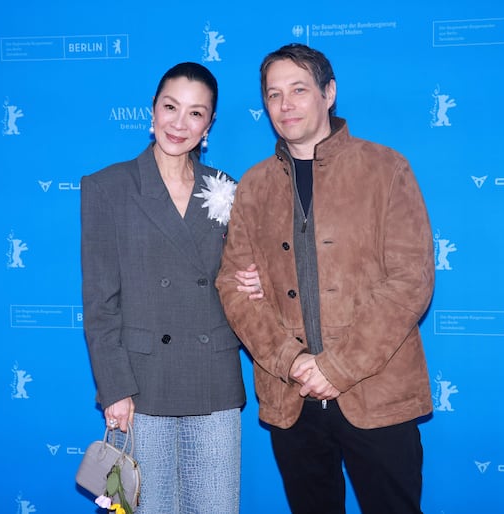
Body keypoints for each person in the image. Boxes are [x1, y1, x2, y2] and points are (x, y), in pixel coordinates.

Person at [216, 44, 435, 514]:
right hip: (291, 398)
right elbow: (234, 286)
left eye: (298, 89)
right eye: (274, 94)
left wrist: (336, 369)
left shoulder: (385, 169)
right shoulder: (253, 186)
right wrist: (292, 362)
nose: (285, 104)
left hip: (376, 393)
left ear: (328, 93)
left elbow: (410, 281)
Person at [81, 62, 261, 514]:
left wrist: (257, 282)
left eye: (195, 113)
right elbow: (100, 303)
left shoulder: (227, 188)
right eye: (171, 107)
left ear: (209, 124)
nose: (180, 124)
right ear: (153, 110)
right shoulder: (107, 188)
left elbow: (238, 279)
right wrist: (114, 387)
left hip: (213, 378)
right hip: (141, 386)